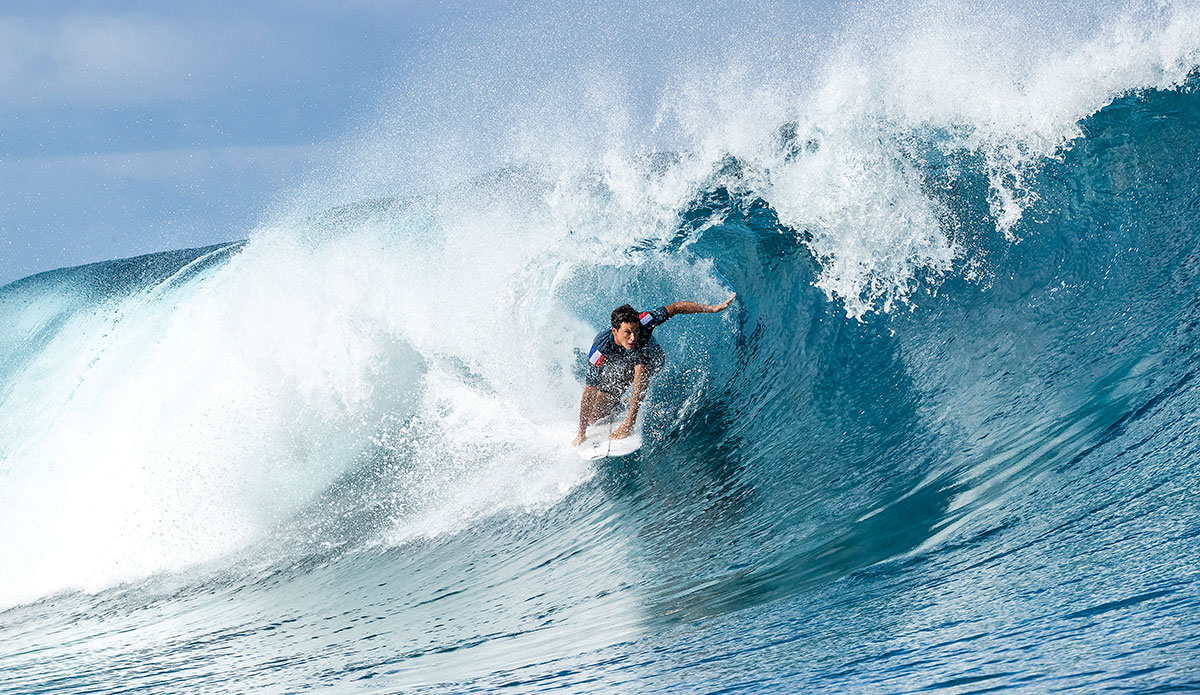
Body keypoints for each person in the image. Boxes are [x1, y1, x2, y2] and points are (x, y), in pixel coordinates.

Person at [572, 294, 736, 446]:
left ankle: (629, 422)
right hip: (626, 365)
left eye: (635, 331)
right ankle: (620, 405)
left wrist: (712, 308)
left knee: (640, 369)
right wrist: (581, 432)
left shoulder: (645, 320)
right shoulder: (600, 349)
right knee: (595, 416)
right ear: (615, 331)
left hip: (653, 359)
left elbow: (676, 307)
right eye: (627, 332)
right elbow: (589, 392)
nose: (633, 337)